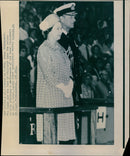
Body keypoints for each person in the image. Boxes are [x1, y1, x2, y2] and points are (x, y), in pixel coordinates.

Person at [36, 13, 76, 144]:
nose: (60, 32)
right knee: (51, 140)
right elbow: (49, 76)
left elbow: (69, 70)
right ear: (49, 31)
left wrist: (70, 85)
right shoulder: (43, 49)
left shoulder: (61, 49)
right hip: (50, 99)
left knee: (64, 139)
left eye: (61, 28)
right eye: (57, 29)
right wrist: (64, 88)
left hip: (64, 98)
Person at [53, 3, 81, 102]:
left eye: (75, 16)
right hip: (63, 89)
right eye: (71, 17)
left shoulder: (70, 38)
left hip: (72, 87)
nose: (74, 20)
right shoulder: (58, 39)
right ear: (61, 18)